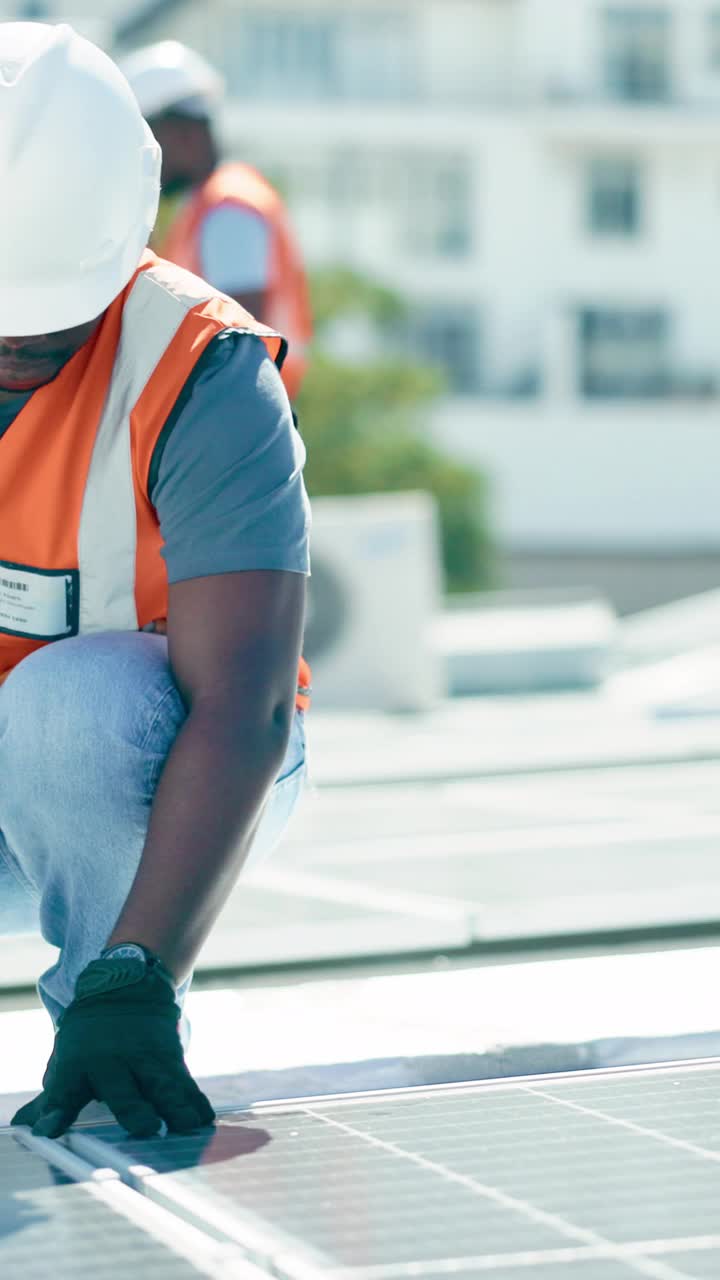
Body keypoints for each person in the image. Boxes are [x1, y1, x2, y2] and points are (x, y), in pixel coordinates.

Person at [1, 21, 311, 1140]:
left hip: (153, 761)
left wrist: (134, 976)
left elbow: (246, 702)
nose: (13, 358)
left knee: (73, 699)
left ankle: (101, 1008)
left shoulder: (203, 371)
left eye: (44, 332)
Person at [120, 40, 313, 402]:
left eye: (148, 139)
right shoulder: (209, 204)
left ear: (182, 133)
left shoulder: (229, 209)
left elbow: (238, 342)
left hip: (236, 411)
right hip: (239, 411)